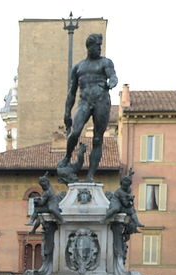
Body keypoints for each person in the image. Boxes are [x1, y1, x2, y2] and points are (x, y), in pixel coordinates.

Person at [61, 33, 117, 182]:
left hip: (102, 101)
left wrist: (112, 82)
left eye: (100, 46)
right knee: (75, 132)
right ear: (89, 47)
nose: (99, 49)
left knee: (97, 139)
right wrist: (67, 113)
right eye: (97, 46)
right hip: (84, 101)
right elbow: (71, 92)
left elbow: (113, 76)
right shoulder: (78, 67)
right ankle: (67, 156)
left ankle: (90, 175)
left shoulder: (106, 62)